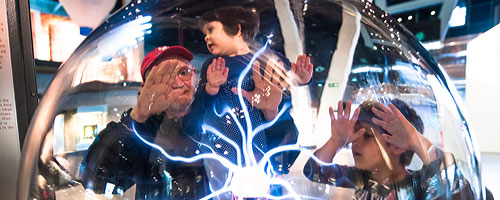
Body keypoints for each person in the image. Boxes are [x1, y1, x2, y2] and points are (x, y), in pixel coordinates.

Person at [183, 6, 312, 198]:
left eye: (211, 30)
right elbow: (200, 103)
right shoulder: (213, 64)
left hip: (254, 143)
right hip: (217, 146)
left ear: (237, 28)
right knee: (221, 189)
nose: (206, 37)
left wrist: (301, 78)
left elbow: (285, 79)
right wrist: (211, 87)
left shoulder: (266, 59)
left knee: (255, 188)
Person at [80, 46, 209, 199]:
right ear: (145, 87)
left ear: (194, 75)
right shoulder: (142, 130)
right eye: (163, 77)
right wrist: (138, 115)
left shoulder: (213, 116)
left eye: (183, 72)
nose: (177, 82)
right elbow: (95, 181)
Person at [303, 99, 474, 199]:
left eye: (368, 136)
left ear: (398, 146)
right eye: (356, 133)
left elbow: (461, 192)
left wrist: (416, 140)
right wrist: (335, 141)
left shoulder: (420, 186)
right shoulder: (362, 178)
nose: (356, 141)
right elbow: (314, 171)